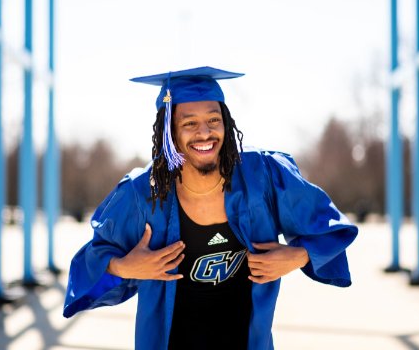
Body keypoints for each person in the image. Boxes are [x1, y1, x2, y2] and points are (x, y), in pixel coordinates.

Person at [63, 66, 358, 350]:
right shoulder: (142, 192)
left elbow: (329, 226)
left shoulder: (263, 177)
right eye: (189, 123)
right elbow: (88, 263)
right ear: (169, 132)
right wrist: (123, 266)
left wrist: (299, 256)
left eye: (214, 120)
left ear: (226, 123)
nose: (205, 132)